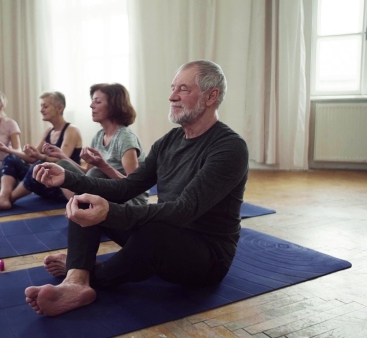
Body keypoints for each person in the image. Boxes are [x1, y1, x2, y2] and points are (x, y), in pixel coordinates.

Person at [24, 60, 249, 317]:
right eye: (173, 88)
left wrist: (109, 213)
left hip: (205, 257)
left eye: (183, 89)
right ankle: (76, 282)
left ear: (211, 96)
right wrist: (67, 178)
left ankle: (89, 273)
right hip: (165, 233)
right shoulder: (168, 142)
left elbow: (184, 210)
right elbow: (127, 187)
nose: (172, 96)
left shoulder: (229, 148)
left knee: (153, 233)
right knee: (85, 200)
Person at [44, 83, 148, 206]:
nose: (91, 105)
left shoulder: (125, 138)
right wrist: (62, 155)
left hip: (131, 200)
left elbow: (134, 186)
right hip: (106, 192)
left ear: (114, 106)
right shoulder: (98, 137)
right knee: (62, 166)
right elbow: (86, 174)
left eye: (97, 102)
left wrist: (103, 166)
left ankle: (78, 208)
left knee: (96, 174)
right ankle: (79, 207)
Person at [0, 91, 83, 210]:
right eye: (41, 106)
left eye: (45, 106)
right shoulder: (48, 131)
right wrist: (7, 149)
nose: (41, 110)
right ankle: (3, 196)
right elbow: (32, 158)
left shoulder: (71, 130)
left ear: (59, 108)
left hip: (63, 188)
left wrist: (40, 157)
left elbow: (61, 160)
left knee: (40, 165)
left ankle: (7, 198)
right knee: (11, 159)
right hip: (48, 184)